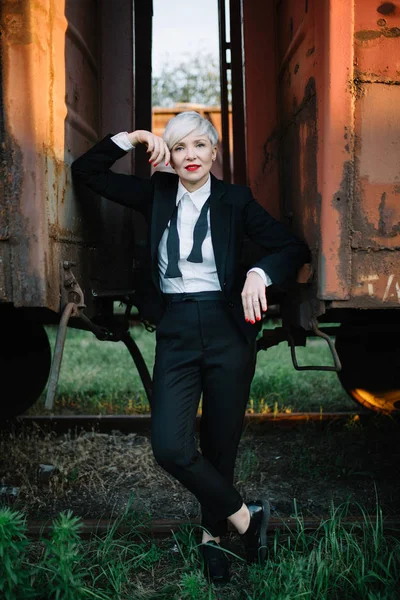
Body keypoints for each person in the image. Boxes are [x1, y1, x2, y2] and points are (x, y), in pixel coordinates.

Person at [71, 111, 309, 585]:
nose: (190, 156)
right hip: (177, 328)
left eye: (199, 146)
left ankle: (212, 539)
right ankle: (247, 516)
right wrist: (135, 137)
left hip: (227, 328)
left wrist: (259, 274)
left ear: (214, 152)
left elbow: (292, 247)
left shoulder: (236, 201)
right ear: (170, 157)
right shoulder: (156, 192)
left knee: (221, 442)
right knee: (171, 446)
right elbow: (87, 172)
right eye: (179, 148)